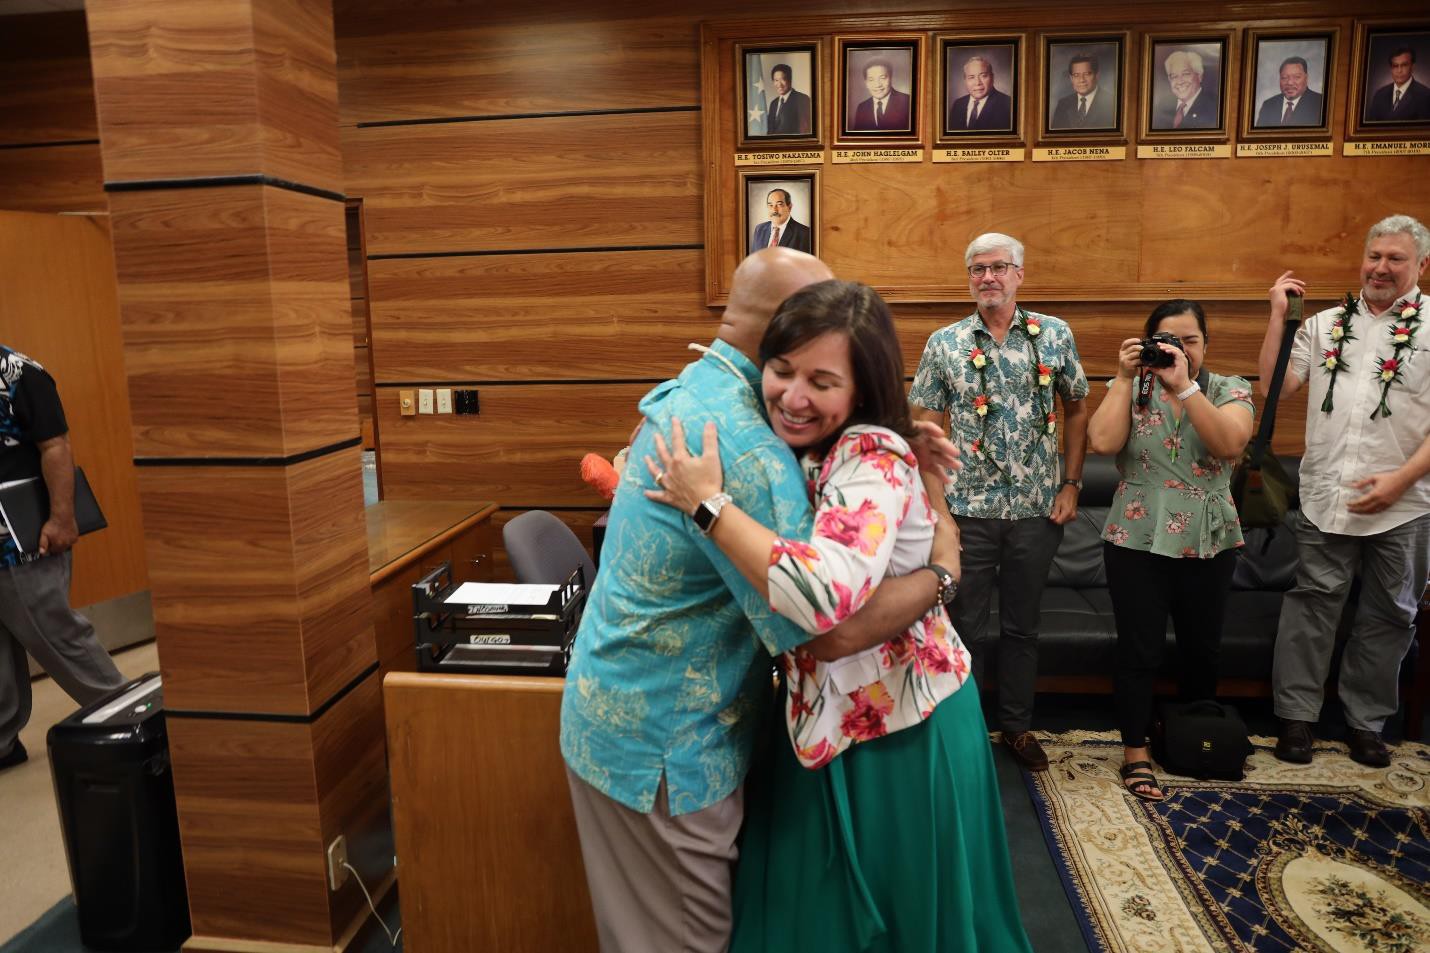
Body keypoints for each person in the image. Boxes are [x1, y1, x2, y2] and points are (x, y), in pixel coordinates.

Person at [559, 248, 957, 953]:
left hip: (622, 719)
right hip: (665, 750)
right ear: (788, 328)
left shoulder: (698, 389)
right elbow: (830, 631)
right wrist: (944, 572)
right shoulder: (747, 447)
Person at [645, 279, 1032, 953]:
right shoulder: (815, 445)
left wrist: (707, 506)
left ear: (860, 390)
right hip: (833, 721)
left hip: (904, 729)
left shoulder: (868, 456)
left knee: (899, 920)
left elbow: (826, 614)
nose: (793, 396)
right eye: (782, 369)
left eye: (822, 381)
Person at [909, 232, 1090, 772]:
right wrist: (939, 514)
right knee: (962, 624)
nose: (987, 278)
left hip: (1037, 510)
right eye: (977, 269)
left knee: (1021, 627)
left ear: (1019, 275)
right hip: (966, 513)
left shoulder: (1054, 335)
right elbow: (923, 429)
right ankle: (961, 729)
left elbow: (1078, 408)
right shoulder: (944, 343)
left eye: (998, 268)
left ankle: (1016, 727)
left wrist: (1071, 483)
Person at [1258, 214, 1430, 769]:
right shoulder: (1327, 323)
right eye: (1374, 256)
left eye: (1395, 258)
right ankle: (1297, 720)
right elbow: (1273, 386)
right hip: (1326, 493)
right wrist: (1278, 319)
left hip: (1406, 504)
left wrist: (1401, 479)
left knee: (1391, 615)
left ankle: (1366, 722)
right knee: (1311, 609)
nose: (1381, 267)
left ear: (1420, 266)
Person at [1086, 301, 1255, 800]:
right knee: (1139, 649)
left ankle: (1195, 737)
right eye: (1167, 339)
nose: (1180, 348)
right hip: (1135, 535)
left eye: (1191, 340)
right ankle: (1135, 752)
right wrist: (1121, 377)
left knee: (1202, 647)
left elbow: (1229, 443)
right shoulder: (1135, 388)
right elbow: (1101, 441)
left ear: (1206, 344)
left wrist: (1185, 386)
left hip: (1209, 538)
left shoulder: (1229, 388)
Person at [1, 345, 126, 773]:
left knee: (56, 634)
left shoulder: (17, 372)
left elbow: (55, 447)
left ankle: (130, 715)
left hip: (20, 542)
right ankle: (2, 741)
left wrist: (62, 518)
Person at [947, 55, 1013, 131]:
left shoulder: (1008, 105)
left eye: (983, 76)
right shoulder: (958, 104)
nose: (978, 83)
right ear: (965, 80)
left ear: (992, 78)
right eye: (971, 77)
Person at [1155, 50, 1218, 130]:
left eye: (1185, 74)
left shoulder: (1214, 108)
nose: (1180, 81)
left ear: (1199, 76)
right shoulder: (1161, 107)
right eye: (1174, 76)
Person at [1050, 53, 1116, 129]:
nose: (1081, 80)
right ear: (1071, 78)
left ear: (1097, 76)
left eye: (1087, 74)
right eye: (1076, 75)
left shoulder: (1111, 103)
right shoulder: (1063, 104)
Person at [1255, 56, 1325, 127]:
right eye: (1284, 77)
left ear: (1306, 78)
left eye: (1296, 77)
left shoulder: (1320, 103)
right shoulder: (1268, 105)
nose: (1290, 82)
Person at [1364, 48, 1430, 123]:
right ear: (1391, 69)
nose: (1399, 70)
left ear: (1412, 67)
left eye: (1404, 65)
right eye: (1395, 66)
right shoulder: (1380, 95)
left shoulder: (1425, 96)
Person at [850, 59, 912, 131]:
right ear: (866, 83)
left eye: (882, 78)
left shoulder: (908, 102)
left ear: (891, 78)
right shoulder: (862, 107)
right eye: (871, 80)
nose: (878, 85)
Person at [749, 189, 812, 255]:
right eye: (770, 205)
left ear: (789, 207)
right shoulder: (759, 229)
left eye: (779, 205)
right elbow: (754, 259)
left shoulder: (805, 233)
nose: (774, 210)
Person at [766, 62, 812, 135]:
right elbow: (770, 132)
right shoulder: (773, 103)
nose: (779, 84)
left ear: (790, 80)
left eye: (783, 79)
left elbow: (805, 130)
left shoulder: (802, 99)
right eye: (776, 80)